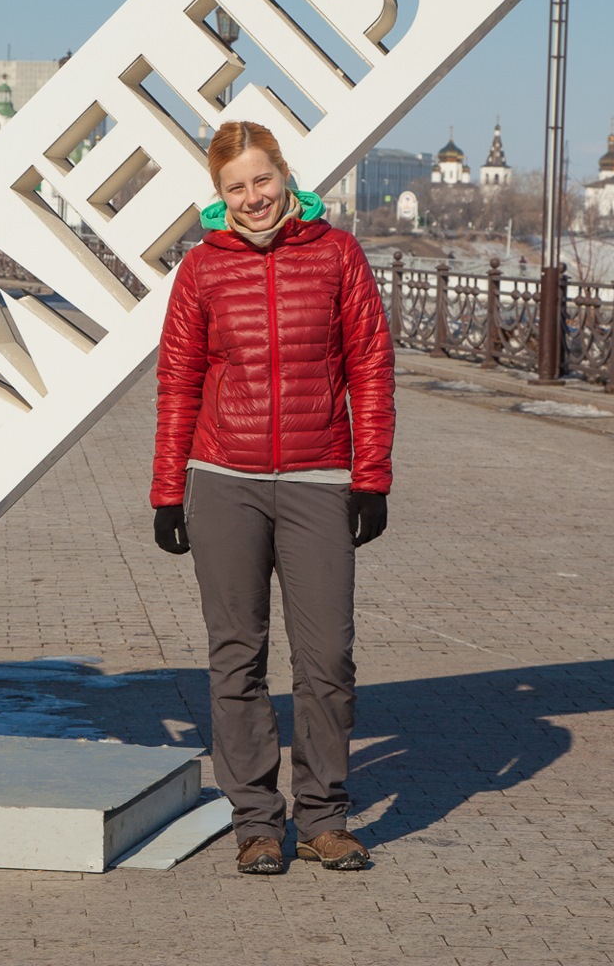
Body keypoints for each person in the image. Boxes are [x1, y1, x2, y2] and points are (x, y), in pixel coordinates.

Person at [151, 120, 394, 875]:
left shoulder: (337, 253)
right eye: (236, 187)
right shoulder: (201, 269)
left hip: (320, 477)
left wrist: (371, 478)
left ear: (284, 175)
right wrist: (168, 491)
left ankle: (323, 817)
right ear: (219, 197)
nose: (253, 198)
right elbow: (178, 381)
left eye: (262, 179)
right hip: (225, 481)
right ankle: (257, 821)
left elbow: (372, 366)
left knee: (327, 658)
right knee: (237, 659)